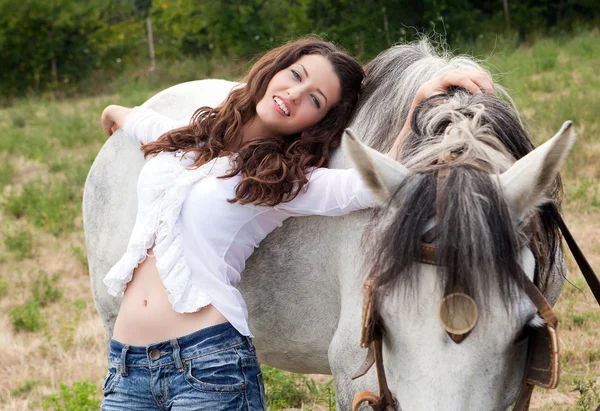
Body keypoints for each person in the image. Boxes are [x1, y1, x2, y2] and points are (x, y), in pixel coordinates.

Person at [99, 37, 493, 411]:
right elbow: (140, 122)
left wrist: (418, 103)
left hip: (206, 367)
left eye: (315, 100)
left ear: (318, 122)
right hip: (126, 366)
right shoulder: (188, 138)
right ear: (275, 69)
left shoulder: (285, 182)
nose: (294, 94)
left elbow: (374, 184)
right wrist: (114, 114)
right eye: (296, 75)